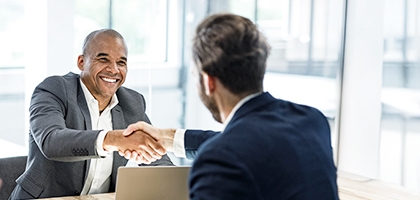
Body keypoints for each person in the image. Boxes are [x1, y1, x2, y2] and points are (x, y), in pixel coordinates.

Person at [124, 13, 339, 199]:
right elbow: (251, 145)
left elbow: (234, 148)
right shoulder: (312, 121)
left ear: (208, 82)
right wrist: (167, 138)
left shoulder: (219, 160)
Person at [9, 29, 173, 199]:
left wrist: (178, 182)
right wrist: (113, 140)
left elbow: (156, 156)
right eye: (103, 59)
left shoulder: (131, 102)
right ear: (81, 62)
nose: (113, 70)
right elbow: (51, 141)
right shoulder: (55, 89)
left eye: (121, 62)